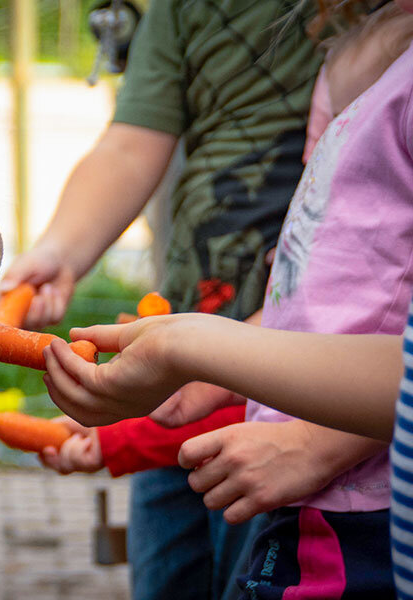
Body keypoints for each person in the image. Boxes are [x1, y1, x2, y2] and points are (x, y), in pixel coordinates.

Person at [42, 3, 413, 595]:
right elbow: (309, 283)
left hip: (355, 500)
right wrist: (210, 366)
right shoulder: (356, 62)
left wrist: (312, 443)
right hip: (282, 454)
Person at [0, 1, 326, 598]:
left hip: (306, 365)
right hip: (178, 338)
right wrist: (60, 254)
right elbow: (131, 143)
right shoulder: (184, 7)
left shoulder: (364, 27)